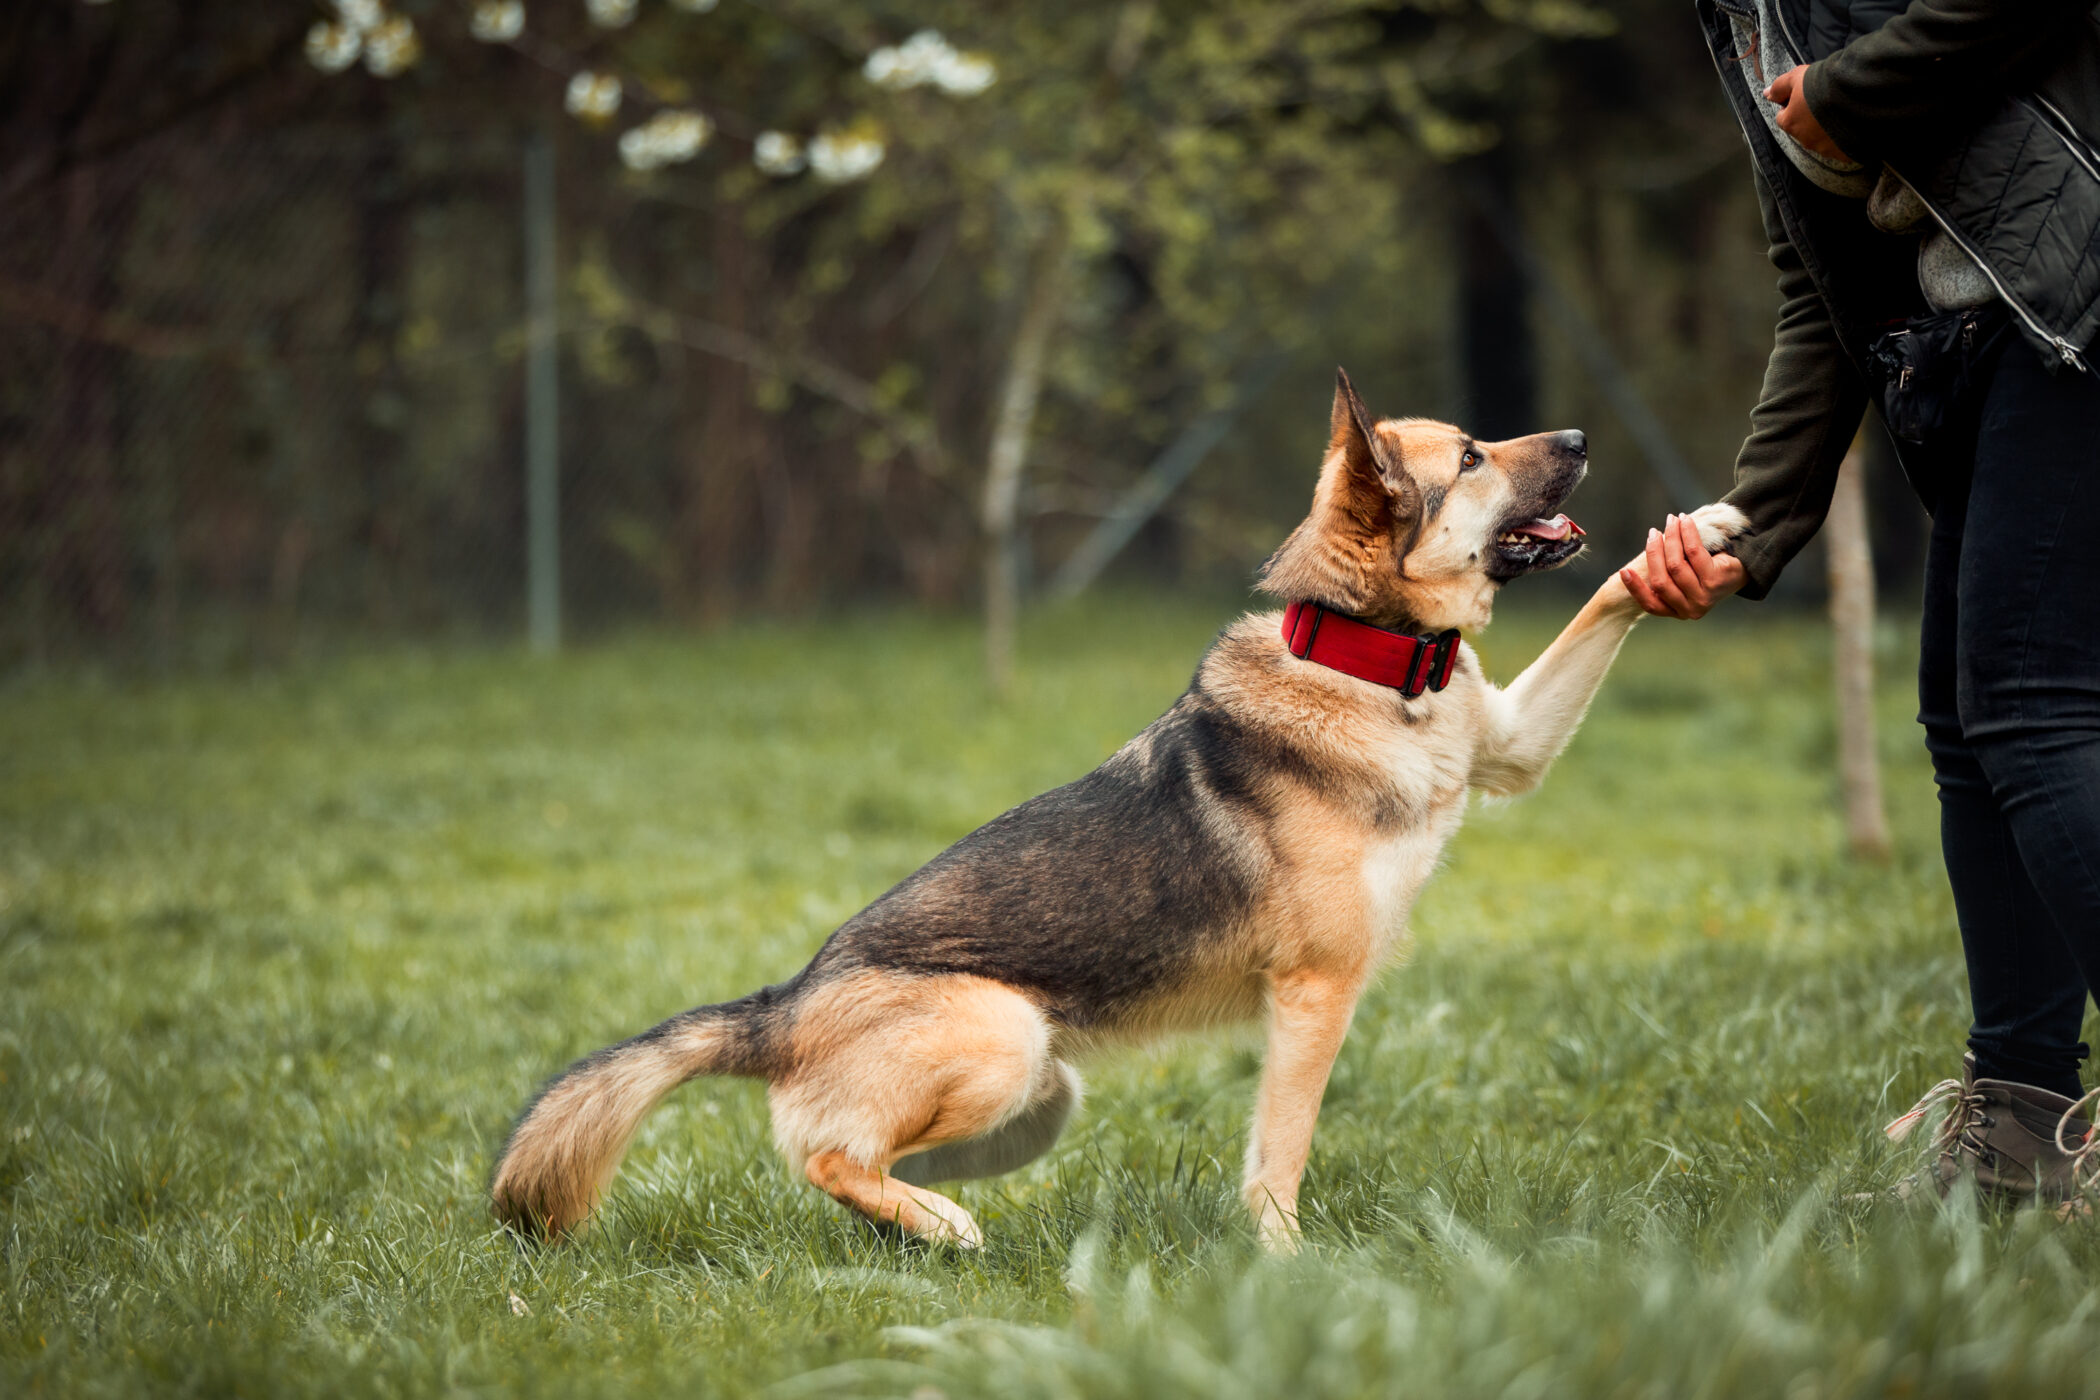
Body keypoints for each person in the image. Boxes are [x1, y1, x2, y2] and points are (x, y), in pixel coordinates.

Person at [1635, 0, 2100, 1201]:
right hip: (1987, 334)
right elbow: (1821, 283)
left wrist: (1845, 90)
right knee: (1972, 721)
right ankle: (2018, 1134)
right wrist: (1751, 522)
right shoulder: (1737, 15)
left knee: (2030, 703)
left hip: (2075, 294)